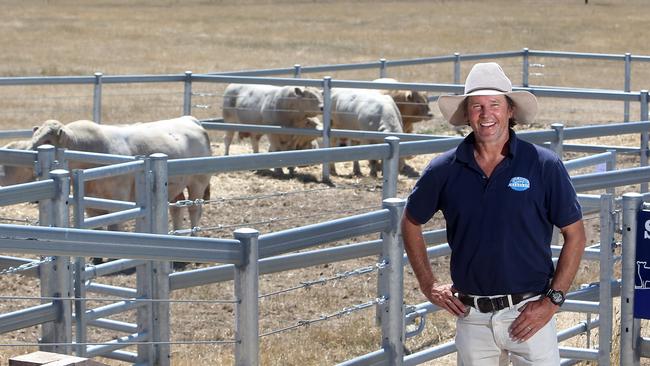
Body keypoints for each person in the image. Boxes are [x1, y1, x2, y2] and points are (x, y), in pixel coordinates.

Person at [401, 62, 586, 365]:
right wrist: (429, 284)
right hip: (472, 315)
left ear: (510, 110)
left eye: (494, 104)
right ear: (467, 114)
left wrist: (552, 301)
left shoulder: (543, 165)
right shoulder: (443, 170)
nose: (486, 115)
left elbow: (575, 235)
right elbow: (410, 222)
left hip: (529, 313)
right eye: (477, 106)